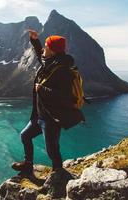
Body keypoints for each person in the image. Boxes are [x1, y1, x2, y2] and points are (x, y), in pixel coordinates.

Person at [11, 29, 85, 175]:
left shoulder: (62, 70)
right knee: (25, 136)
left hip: (51, 119)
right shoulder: (50, 62)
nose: (44, 48)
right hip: (39, 116)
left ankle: (58, 173)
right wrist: (35, 40)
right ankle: (28, 164)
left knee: (52, 150)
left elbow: (65, 96)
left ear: (53, 50)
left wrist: (42, 89)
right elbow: (41, 55)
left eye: (46, 46)